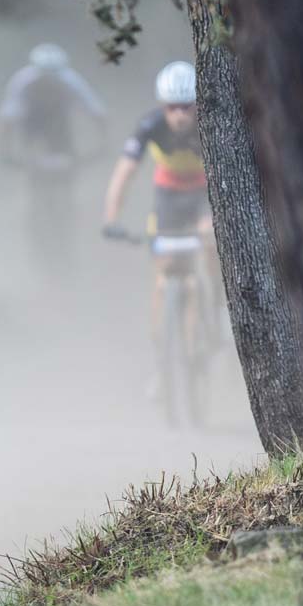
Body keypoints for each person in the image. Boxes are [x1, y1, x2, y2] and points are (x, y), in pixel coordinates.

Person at [101, 60, 217, 407]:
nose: (180, 115)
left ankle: (218, 312)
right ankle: (162, 362)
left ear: (197, 105)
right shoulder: (150, 125)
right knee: (161, 275)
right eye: (172, 107)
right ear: (162, 106)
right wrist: (111, 218)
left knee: (210, 248)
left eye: (187, 106)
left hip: (204, 195)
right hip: (168, 198)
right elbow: (124, 172)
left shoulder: (212, 123)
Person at [0, 43, 109, 257]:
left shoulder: (70, 80)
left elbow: (96, 112)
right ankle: (35, 223)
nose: (48, 82)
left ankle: (67, 222)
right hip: (33, 137)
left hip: (60, 138)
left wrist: (101, 145)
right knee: (35, 184)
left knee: (66, 183)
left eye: (53, 77)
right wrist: (5, 152)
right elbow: (7, 120)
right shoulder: (23, 82)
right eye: (44, 77)